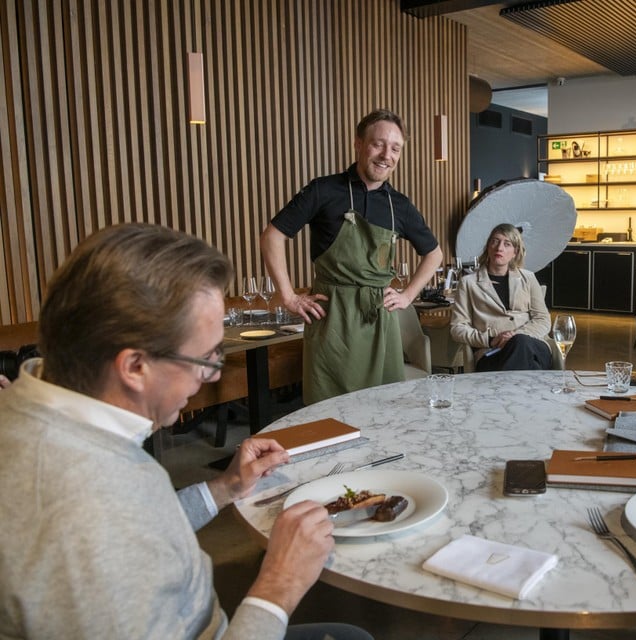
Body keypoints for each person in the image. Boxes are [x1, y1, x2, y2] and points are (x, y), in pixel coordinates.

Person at [0, 224, 371, 640]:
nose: (207, 378)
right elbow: (111, 531)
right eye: (205, 359)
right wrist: (279, 585)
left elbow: (143, 530)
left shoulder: (49, 410)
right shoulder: (79, 513)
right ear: (135, 367)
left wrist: (225, 487)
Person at [261, 109, 443, 404]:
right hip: (333, 321)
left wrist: (408, 295)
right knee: (330, 413)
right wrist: (288, 296)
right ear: (358, 144)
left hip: (380, 324)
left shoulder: (400, 206)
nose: (387, 155)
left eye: (395, 148)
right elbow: (272, 236)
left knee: (386, 409)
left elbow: (434, 254)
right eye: (378, 144)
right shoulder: (323, 190)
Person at [449, 223, 552, 371]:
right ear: (488, 247)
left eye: (507, 244)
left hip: (531, 346)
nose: (499, 248)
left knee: (520, 343)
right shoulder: (468, 283)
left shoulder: (528, 278)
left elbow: (543, 319)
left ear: (515, 252)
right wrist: (490, 340)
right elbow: (457, 328)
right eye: (495, 241)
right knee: (529, 367)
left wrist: (515, 336)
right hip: (492, 351)